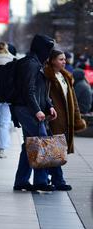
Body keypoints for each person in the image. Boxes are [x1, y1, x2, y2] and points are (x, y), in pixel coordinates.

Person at [11, 34, 57, 192]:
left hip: (27, 108)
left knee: (29, 145)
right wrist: (37, 110)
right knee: (41, 142)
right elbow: (28, 90)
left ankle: (21, 181)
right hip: (26, 109)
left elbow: (40, 90)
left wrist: (49, 104)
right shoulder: (31, 64)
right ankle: (40, 181)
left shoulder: (36, 62)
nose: (50, 53)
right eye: (48, 49)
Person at [44, 49, 87, 191]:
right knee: (55, 150)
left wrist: (76, 119)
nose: (64, 62)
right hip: (54, 118)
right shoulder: (47, 76)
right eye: (61, 59)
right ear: (52, 60)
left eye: (64, 59)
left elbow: (72, 99)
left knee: (57, 150)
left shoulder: (64, 76)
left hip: (65, 119)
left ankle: (49, 178)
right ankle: (58, 180)